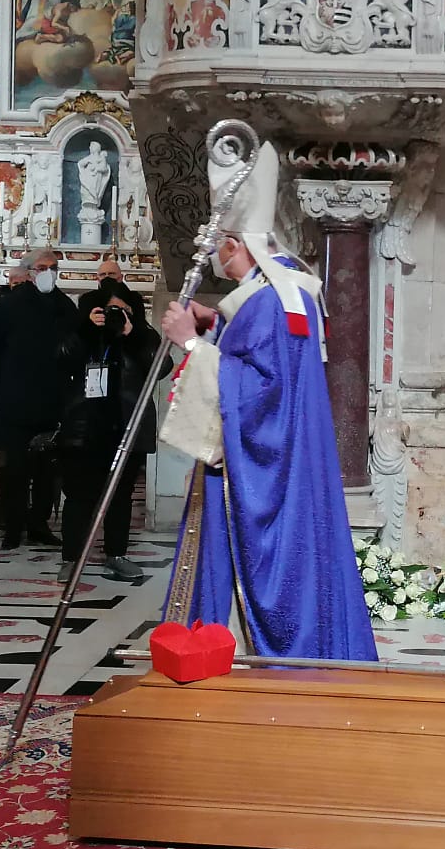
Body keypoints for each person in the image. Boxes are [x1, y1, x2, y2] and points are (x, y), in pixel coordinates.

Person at [158, 140, 376, 660]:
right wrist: (216, 327)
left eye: (219, 245)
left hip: (260, 475)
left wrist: (190, 344)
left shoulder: (270, 303)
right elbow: (268, 367)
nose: (216, 256)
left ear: (235, 244)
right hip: (286, 468)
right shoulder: (283, 293)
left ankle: (237, 653)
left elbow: (262, 396)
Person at [58, 287, 161, 578]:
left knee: (121, 496)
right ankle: (71, 558)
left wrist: (133, 335)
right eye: (110, 310)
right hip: (85, 427)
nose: (117, 315)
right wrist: (86, 329)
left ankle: (116, 553)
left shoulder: (142, 334)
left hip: (126, 426)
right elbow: (61, 357)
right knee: (79, 496)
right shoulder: (83, 331)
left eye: (124, 310)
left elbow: (161, 366)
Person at [0, 247, 76, 549]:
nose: (49, 273)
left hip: (52, 400)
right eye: (43, 268)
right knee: (15, 469)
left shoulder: (64, 306)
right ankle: (13, 526)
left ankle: (39, 524)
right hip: (16, 399)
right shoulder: (7, 305)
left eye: (54, 268)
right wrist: (4, 379)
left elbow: (75, 348)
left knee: (47, 470)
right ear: (30, 272)